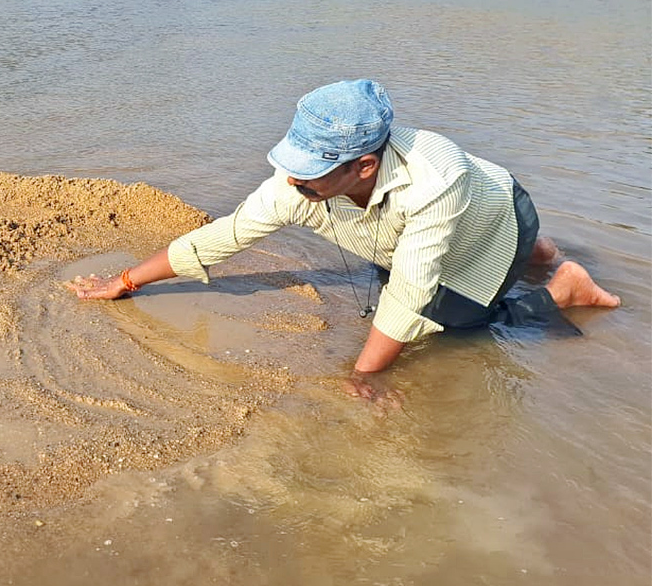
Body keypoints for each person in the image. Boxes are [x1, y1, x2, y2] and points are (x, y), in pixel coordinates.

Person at [69, 79, 620, 401]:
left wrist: (361, 378)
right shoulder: (296, 185)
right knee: (395, 299)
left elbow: (411, 290)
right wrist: (124, 281)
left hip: (486, 224)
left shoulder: (436, 178)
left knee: (456, 329)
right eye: (291, 163)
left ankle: (563, 286)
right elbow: (225, 236)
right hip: (461, 210)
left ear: (363, 166)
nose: (292, 179)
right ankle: (540, 254)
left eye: (310, 170)